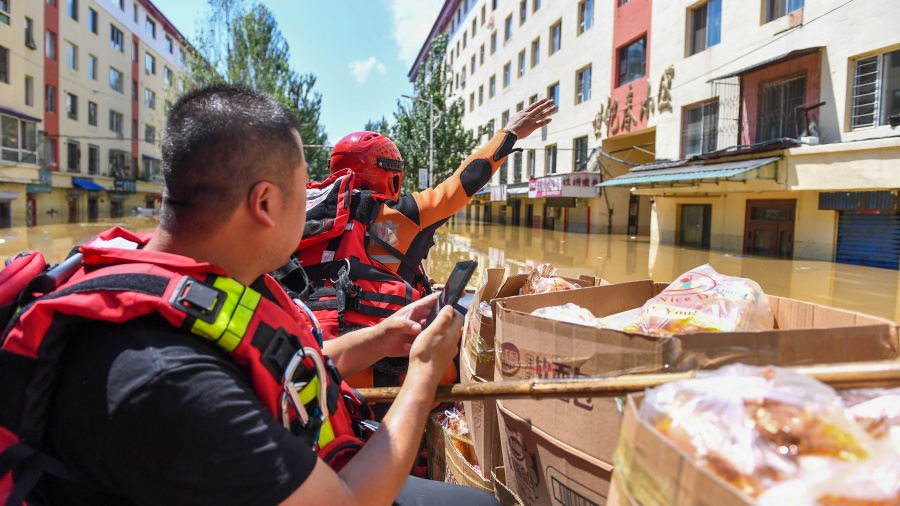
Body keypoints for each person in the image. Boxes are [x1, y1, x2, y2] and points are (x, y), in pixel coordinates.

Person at [0, 84, 499, 505]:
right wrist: (424, 372)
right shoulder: (168, 380)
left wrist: (381, 337)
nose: (317, 212)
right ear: (264, 202)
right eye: (307, 193)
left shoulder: (199, 278)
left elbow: (280, 364)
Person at [285, 99, 555, 392]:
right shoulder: (401, 214)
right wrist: (508, 134)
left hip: (307, 364)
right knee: (465, 342)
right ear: (393, 176)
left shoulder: (301, 216)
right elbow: (463, 183)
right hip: (375, 375)